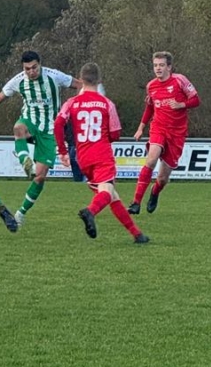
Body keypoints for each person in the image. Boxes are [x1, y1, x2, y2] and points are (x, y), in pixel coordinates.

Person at [0, 51, 82, 226]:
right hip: (30, 122)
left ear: (40, 64)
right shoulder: (19, 80)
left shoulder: (54, 76)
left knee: (39, 177)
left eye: (34, 67)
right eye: (27, 69)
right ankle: (25, 162)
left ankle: (21, 213)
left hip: (50, 130)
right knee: (18, 128)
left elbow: (80, 85)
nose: (31, 72)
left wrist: (76, 106)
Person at [54, 62, 149, 244]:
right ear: (99, 80)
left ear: (81, 80)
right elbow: (115, 134)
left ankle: (137, 235)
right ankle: (90, 212)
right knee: (106, 191)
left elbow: (58, 124)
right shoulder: (107, 104)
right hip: (101, 155)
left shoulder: (72, 103)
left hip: (83, 157)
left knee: (111, 195)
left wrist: (63, 151)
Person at [128, 52, 200, 215]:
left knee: (162, 178)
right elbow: (150, 108)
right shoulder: (151, 86)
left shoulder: (180, 80)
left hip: (177, 133)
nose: (158, 68)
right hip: (158, 128)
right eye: (155, 65)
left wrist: (181, 104)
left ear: (169, 67)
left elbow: (196, 100)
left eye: (161, 65)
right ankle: (135, 203)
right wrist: (140, 128)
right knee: (151, 159)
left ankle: (154, 192)